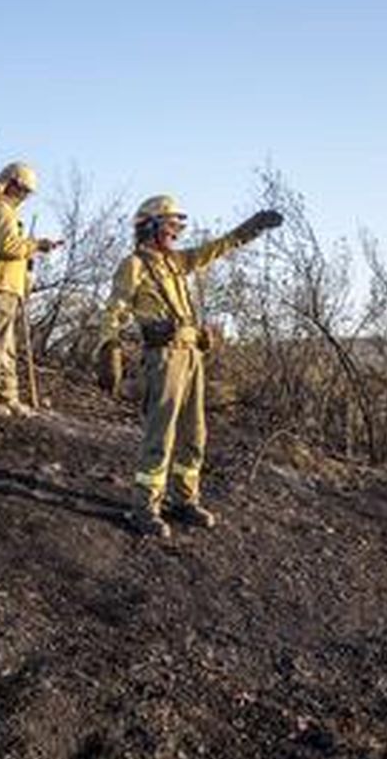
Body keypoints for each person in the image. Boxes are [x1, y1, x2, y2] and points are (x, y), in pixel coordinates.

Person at [97, 196, 282, 537]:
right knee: (161, 434)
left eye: (177, 227)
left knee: (194, 434)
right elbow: (115, 308)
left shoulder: (176, 262)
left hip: (192, 355)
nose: (176, 233)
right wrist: (109, 345)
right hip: (164, 357)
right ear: (150, 226)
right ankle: (145, 507)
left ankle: (184, 499)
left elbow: (217, 247)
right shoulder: (134, 264)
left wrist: (250, 229)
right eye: (170, 225)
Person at [0, 162, 61, 416]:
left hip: (9, 285)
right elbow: (7, 246)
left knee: (7, 345)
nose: (23, 196)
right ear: (9, 183)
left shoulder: (7, 210)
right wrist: (35, 245)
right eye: (21, 189)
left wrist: (33, 248)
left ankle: (8, 396)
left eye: (26, 192)